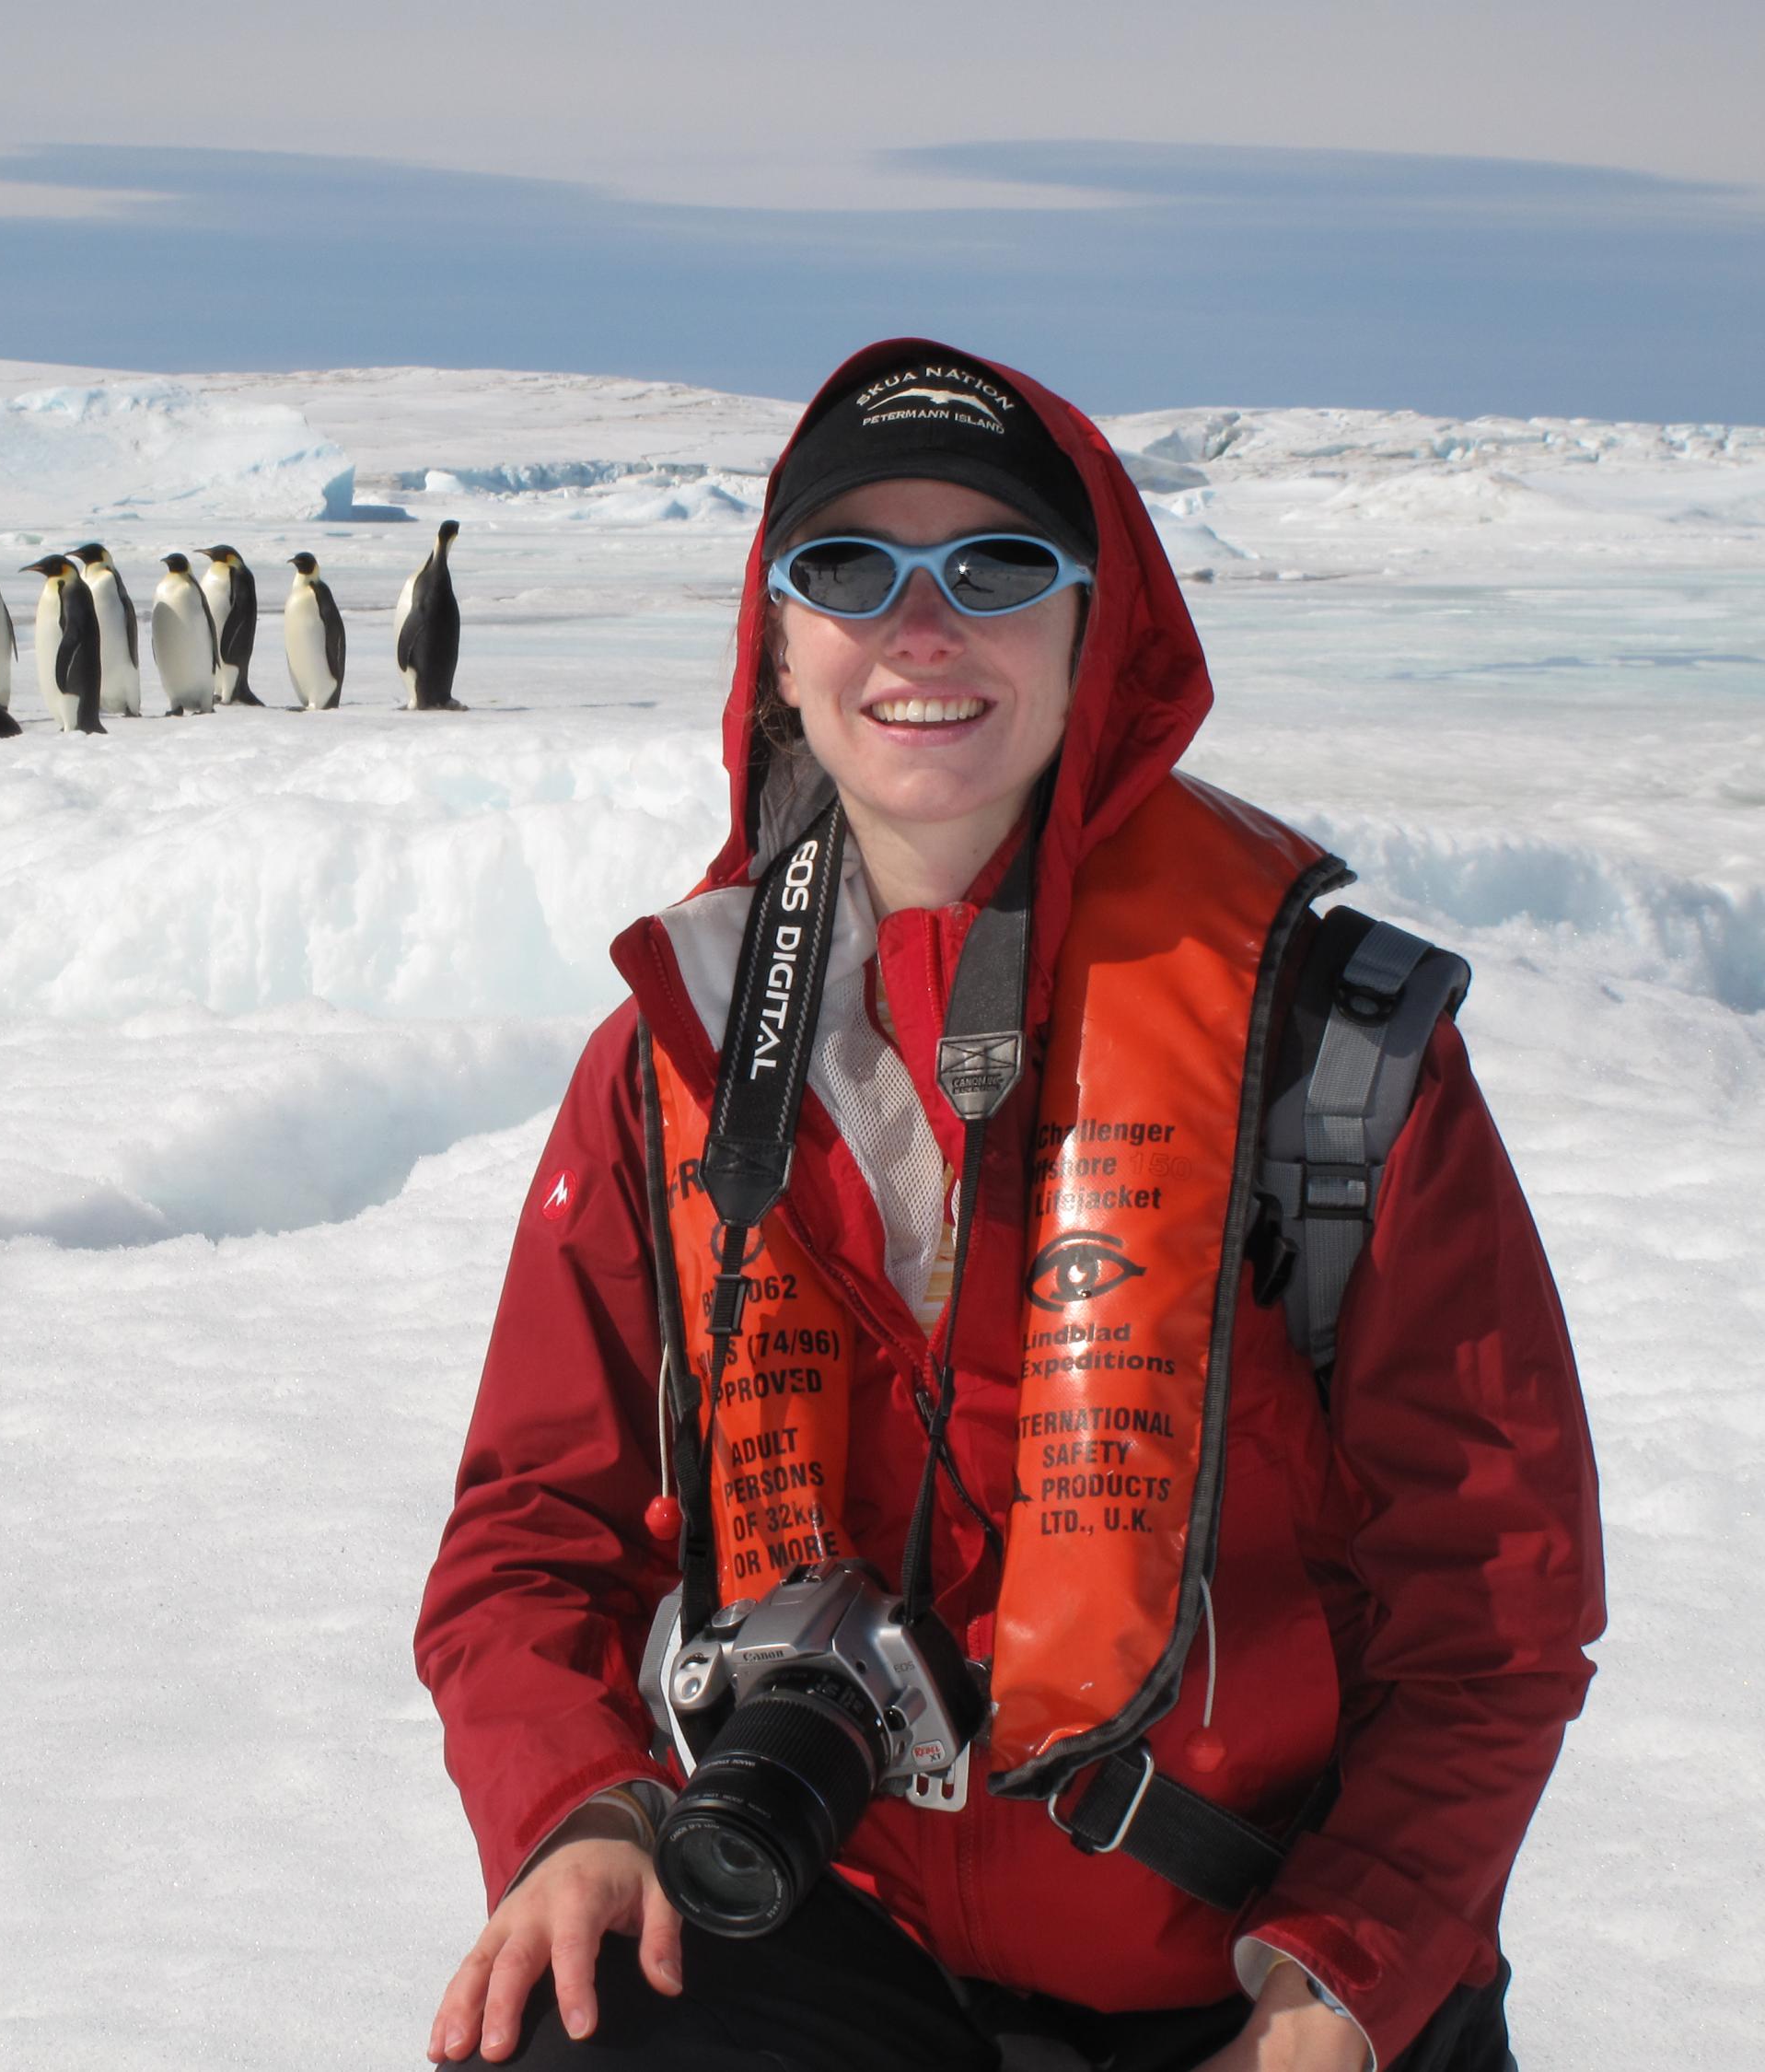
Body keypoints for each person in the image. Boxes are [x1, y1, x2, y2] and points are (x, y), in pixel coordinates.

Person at [412, 341, 1604, 2072]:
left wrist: (1345, 1975)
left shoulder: (1325, 1062)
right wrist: (579, 1809)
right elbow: (530, 1541)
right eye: (849, 569)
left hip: (1257, 1974)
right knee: (565, 2024)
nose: (919, 630)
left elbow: (1494, 1596)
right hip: (828, 1926)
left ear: (1090, 625)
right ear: (780, 634)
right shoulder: (670, 1059)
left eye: (993, 568)